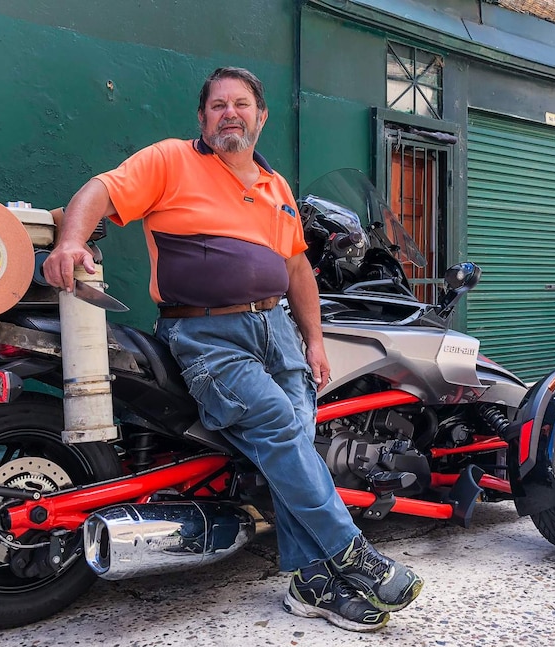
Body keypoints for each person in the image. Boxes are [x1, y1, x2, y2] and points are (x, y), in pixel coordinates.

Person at [42, 66, 423, 633]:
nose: (229, 114)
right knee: (276, 426)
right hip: (206, 336)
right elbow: (101, 190)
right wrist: (71, 240)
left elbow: (297, 268)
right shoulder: (171, 160)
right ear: (203, 118)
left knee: (293, 445)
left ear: (260, 117)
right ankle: (351, 554)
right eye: (218, 105)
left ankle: (309, 583)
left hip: (277, 332)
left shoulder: (276, 186)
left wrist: (314, 341)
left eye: (241, 104)